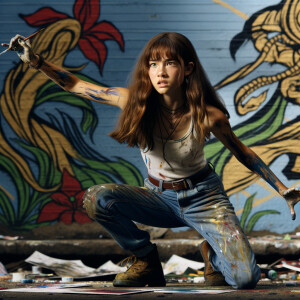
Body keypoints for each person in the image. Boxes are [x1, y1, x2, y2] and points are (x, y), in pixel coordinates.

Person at [8, 32, 299, 289]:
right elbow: (75, 85)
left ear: (187, 69)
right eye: (153, 64)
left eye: (170, 63)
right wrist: (35, 60)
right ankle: (146, 259)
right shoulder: (133, 102)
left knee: (246, 279)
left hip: (204, 200)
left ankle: (211, 252)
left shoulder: (209, 116)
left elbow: (242, 152)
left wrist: (281, 189)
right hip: (158, 197)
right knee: (97, 198)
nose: (160, 71)